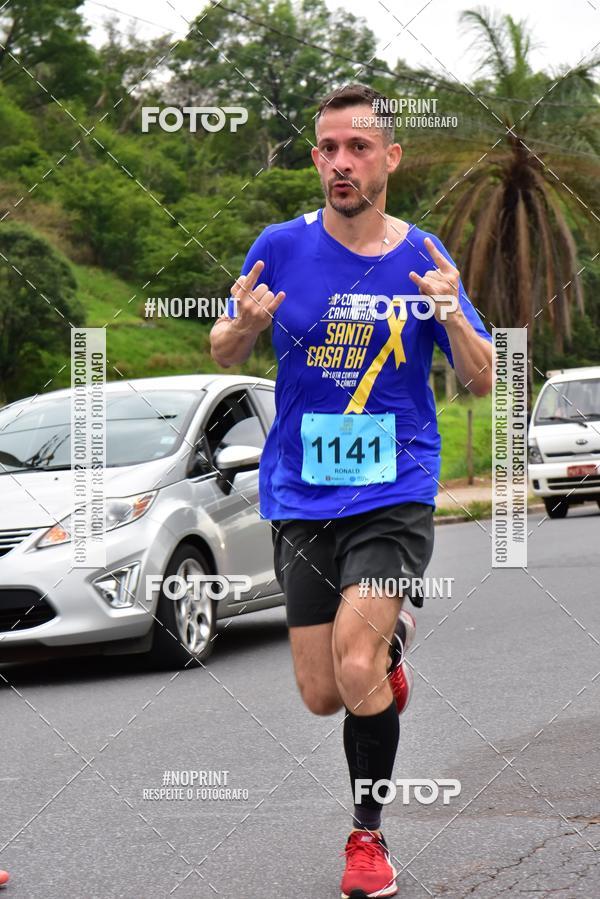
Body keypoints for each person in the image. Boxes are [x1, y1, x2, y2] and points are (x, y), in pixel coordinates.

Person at [210, 83, 493, 898]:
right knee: (322, 691)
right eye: (329, 149)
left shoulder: (424, 258)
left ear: (390, 159)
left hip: (393, 486)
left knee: (356, 655)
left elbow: (479, 379)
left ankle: (367, 839)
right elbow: (226, 347)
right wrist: (244, 327)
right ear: (315, 159)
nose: (341, 162)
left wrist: (454, 318)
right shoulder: (280, 245)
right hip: (301, 490)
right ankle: (390, 656)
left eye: (358, 148)